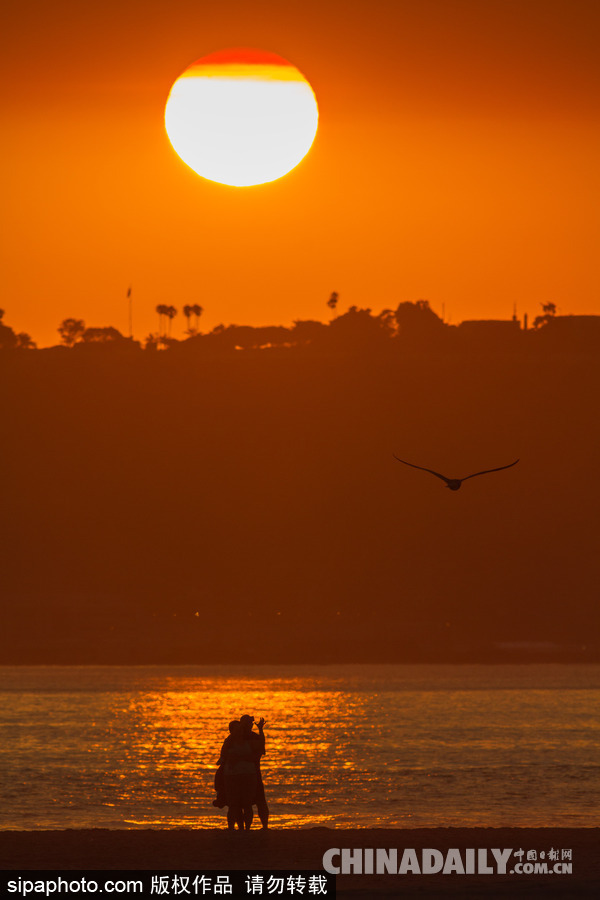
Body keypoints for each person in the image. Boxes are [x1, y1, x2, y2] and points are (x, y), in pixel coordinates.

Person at [219, 720, 258, 830]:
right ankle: (232, 827)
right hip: (231, 775)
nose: (239, 731)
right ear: (231, 731)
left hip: (248, 774)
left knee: (247, 804)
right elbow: (223, 757)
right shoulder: (228, 742)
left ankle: (247, 828)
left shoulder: (249, 740)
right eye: (236, 729)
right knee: (233, 804)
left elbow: (256, 754)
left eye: (240, 729)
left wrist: (238, 758)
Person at [239, 715, 269, 829]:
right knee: (245, 803)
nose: (250, 725)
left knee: (259, 801)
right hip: (243, 774)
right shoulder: (237, 737)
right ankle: (246, 827)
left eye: (250, 723)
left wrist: (261, 730)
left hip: (254, 773)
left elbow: (261, 750)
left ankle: (264, 826)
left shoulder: (253, 737)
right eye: (248, 723)